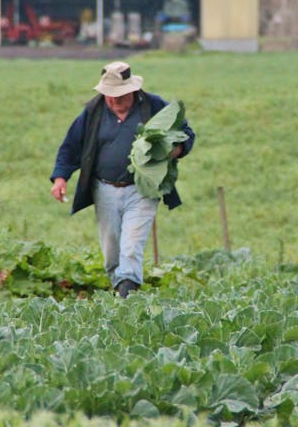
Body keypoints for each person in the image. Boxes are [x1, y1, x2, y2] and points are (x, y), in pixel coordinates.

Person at [49, 61, 195, 298]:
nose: (114, 100)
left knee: (131, 247)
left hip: (142, 189)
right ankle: (121, 294)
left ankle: (128, 295)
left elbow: (186, 134)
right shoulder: (93, 111)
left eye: (119, 95)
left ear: (132, 90)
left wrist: (177, 149)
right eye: (109, 95)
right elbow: (71, 146)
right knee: (112, 252)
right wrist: (60, 177)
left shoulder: (154, 106)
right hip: (103, 189)